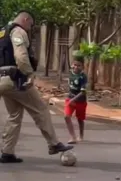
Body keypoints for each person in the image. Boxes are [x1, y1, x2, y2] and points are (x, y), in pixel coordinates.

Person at [0, 10, 73, 163]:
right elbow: (21, 56)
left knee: (14, 115)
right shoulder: (18, 31)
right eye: (30, 24)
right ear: (25, 19)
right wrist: (29, 73)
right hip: (16, 80)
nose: (30, 28)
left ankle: (7, 152)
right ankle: (54, 144)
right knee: (40, 109)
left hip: (3, 80)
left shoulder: (2, 32)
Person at [64, 55, 88, 144]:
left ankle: (81, 135)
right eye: (74, 64)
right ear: (71, 65)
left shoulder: (83, 77)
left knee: (80, 119)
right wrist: (69, 97)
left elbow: (83, 92)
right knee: (66, 116)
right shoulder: (70, 73)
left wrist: (73, 99)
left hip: (80, 101)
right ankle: (72, 137)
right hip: (70, 99)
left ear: (82, 67)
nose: (76, 67)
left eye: (79, 65)